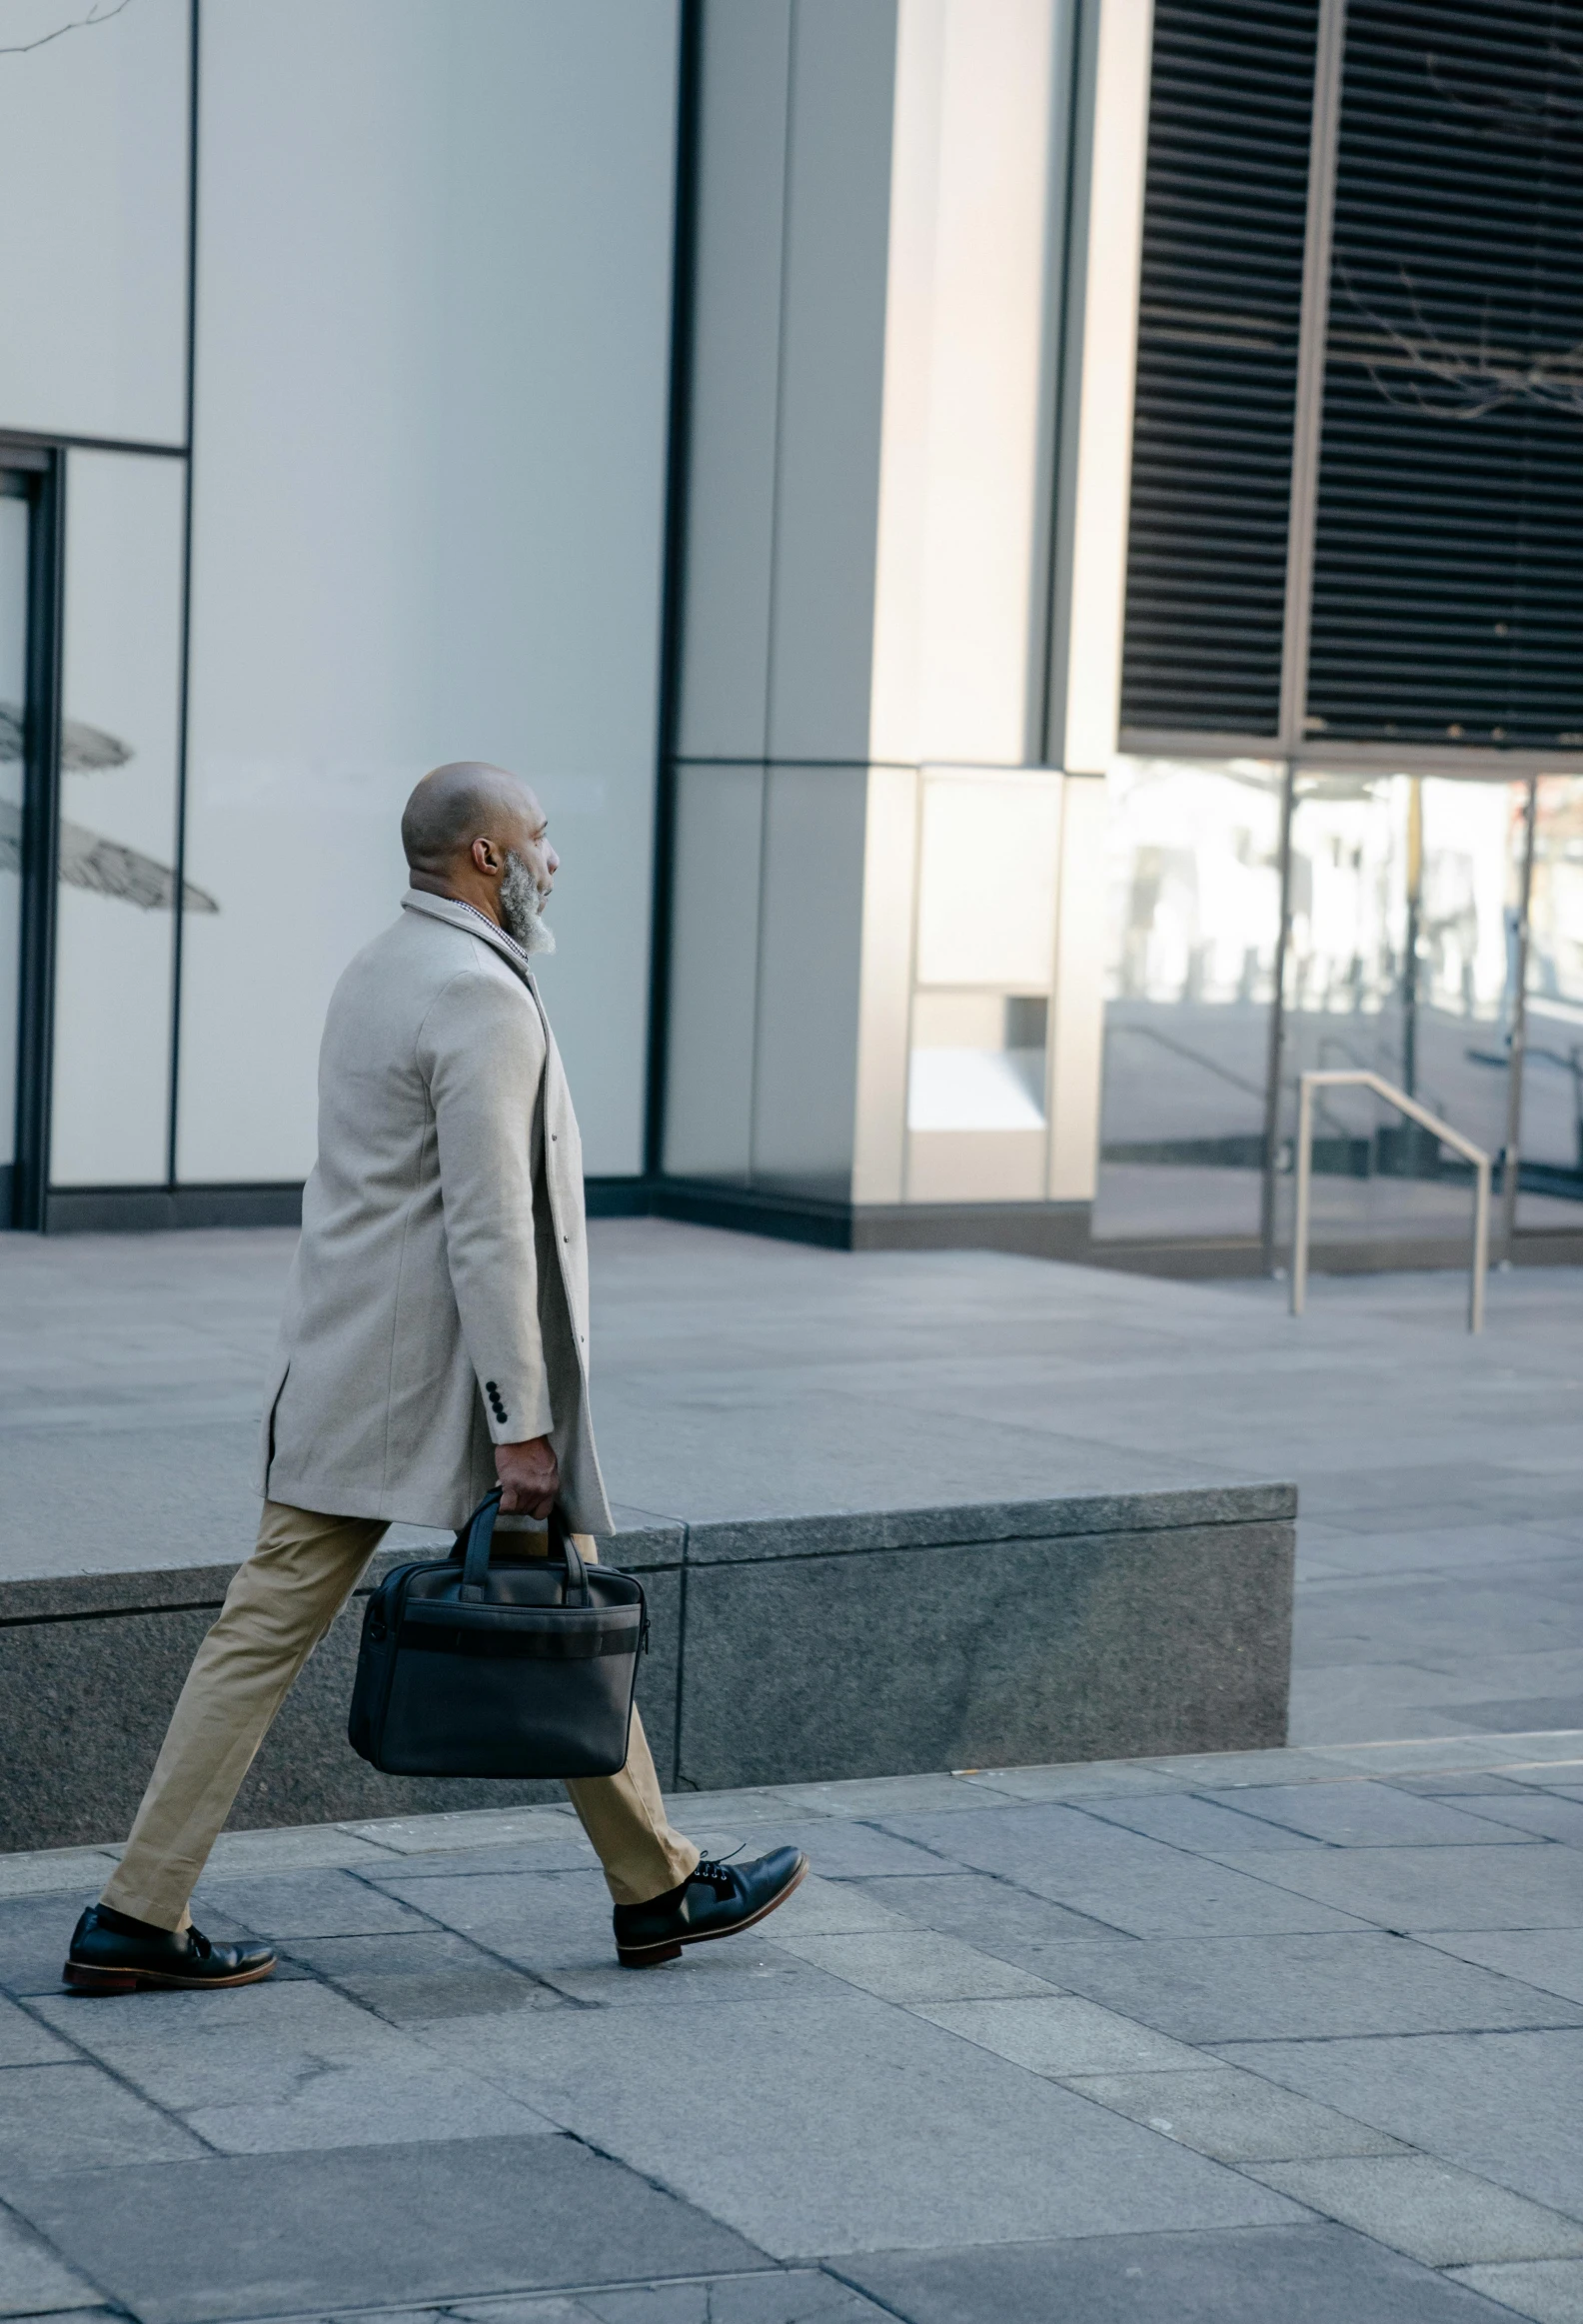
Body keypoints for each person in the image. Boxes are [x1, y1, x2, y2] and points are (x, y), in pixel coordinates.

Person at [65, 763, 805, 1993]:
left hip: (349, 1362)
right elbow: (489, 1229)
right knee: (300, 1632)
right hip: (436, 1385)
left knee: (526, 1607)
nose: (554, 860)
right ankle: (136, 1915)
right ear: (485, 860)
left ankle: (655, 1883)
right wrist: (523, 1426)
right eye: (540, 840)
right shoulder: (479, 996)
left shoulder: (381, 966)